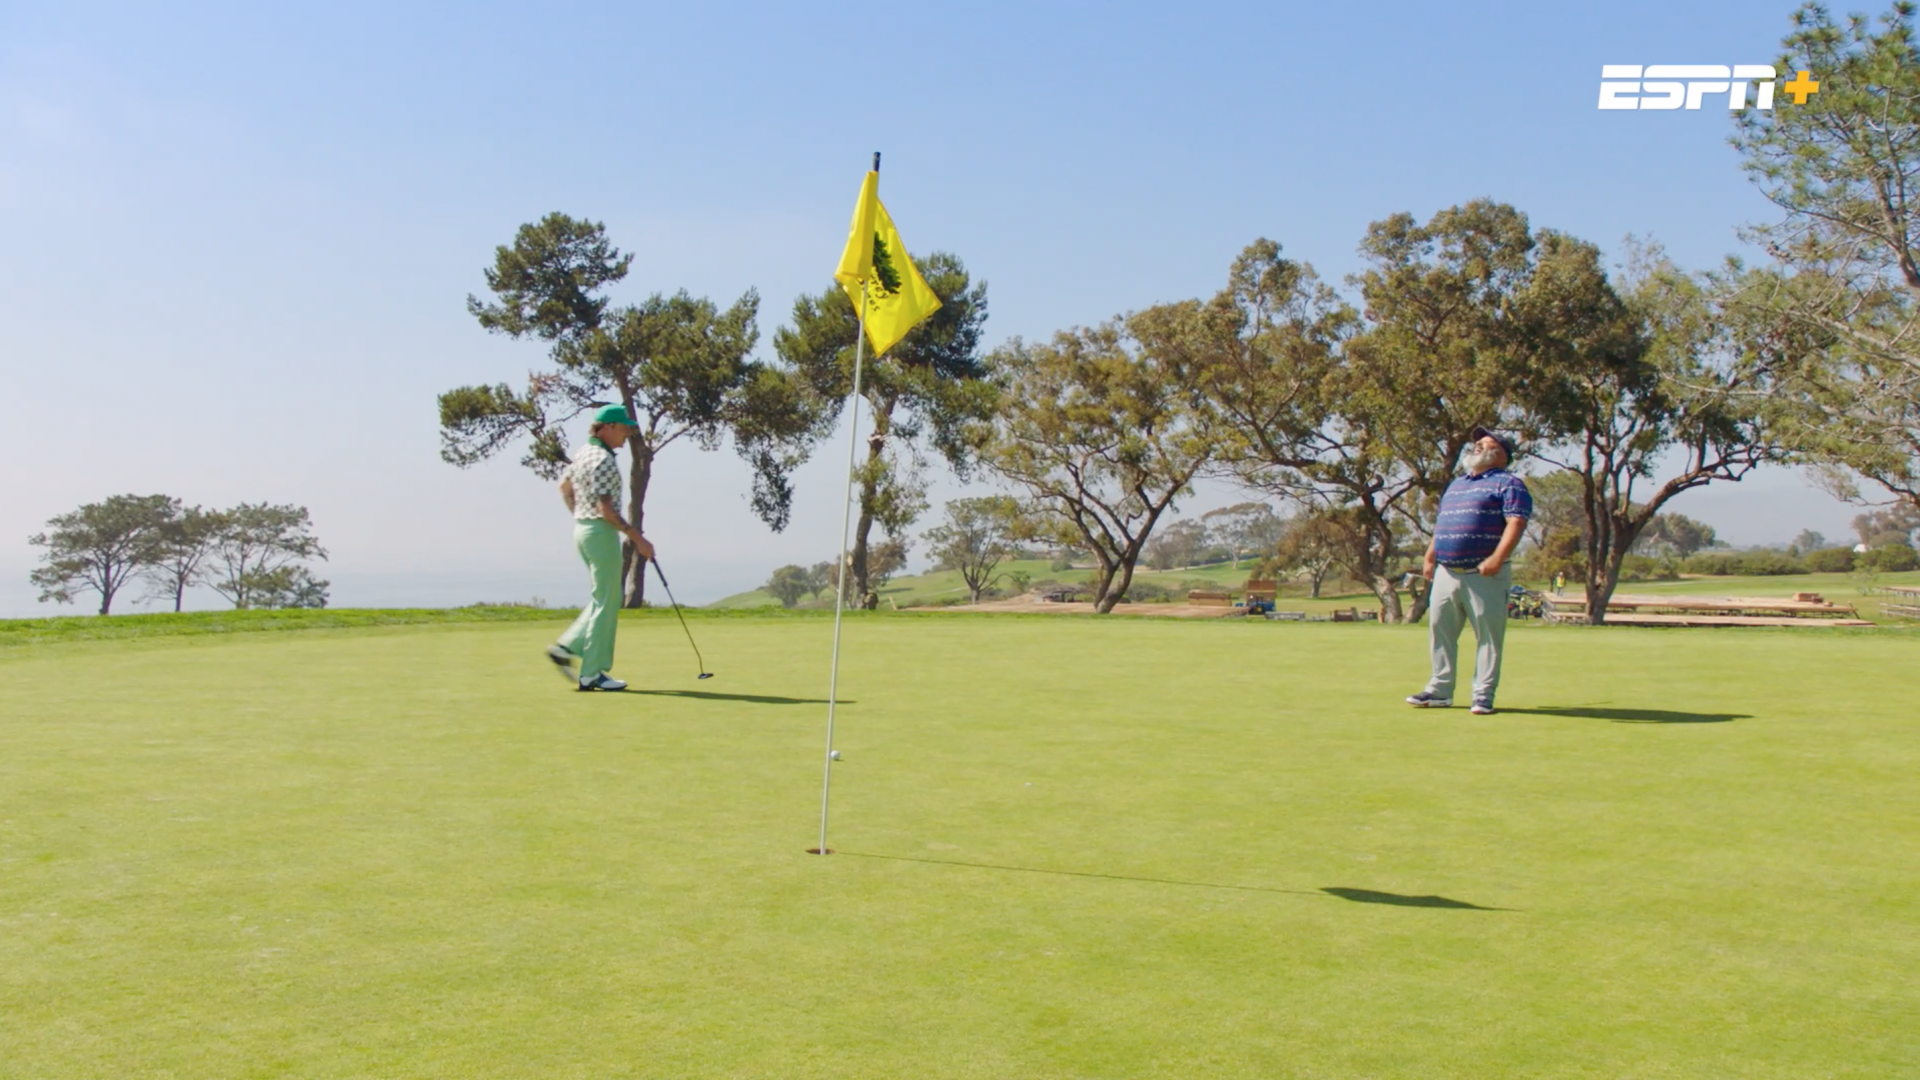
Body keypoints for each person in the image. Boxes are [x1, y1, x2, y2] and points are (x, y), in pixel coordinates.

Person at [1406, 427, 1531, 715]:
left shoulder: (1509, 484)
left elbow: (1516, 523)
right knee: (1440, 631)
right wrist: (1430, 556)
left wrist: (1498, 558)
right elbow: (1443, 523)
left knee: (1488, 637)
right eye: (1476, 444)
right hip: (1447, 571)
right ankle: (1439, 690)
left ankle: (1483, 695)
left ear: (1500, 454)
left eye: (1485, 444)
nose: (1477, 447)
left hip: (1484, 574)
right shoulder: (1457, 484)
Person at [547, 404, 655, 691]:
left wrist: (580, 514)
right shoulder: (603, 459)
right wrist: (638, 538)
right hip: (600, 532)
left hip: (583, 530)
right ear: (607, 427)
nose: (627, 434)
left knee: (603, 597)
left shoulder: (584, 452)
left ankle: (565, 648)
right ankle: (592, 673)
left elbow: (564, 488)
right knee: (607, 601)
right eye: (624, 428)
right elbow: (605, 509)